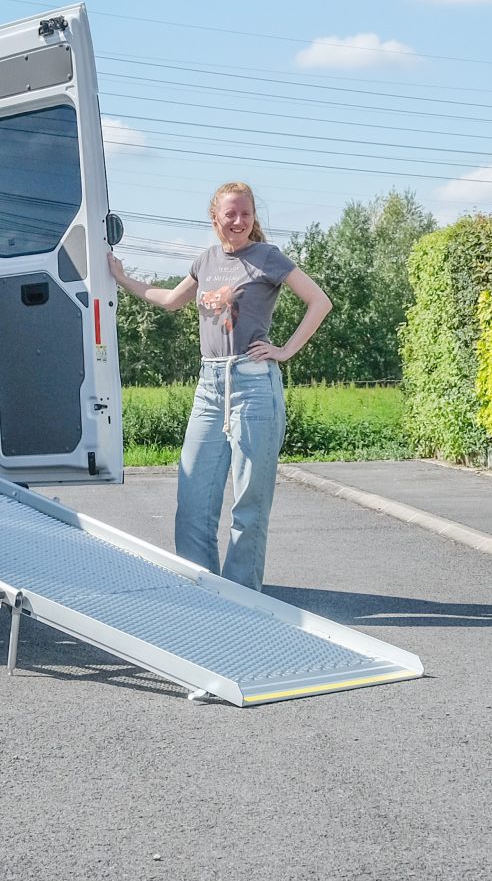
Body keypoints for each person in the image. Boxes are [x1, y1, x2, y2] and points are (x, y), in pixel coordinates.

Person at [108, 182, 330, 589]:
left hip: (253, 384)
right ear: (215, 218)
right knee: (193, 501)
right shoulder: (206, 260)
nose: (239, 221)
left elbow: (320, 302)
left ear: (253, 218)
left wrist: (284, 351)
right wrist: (123, 279)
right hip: (209, 387)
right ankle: (202, 589)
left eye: (246, 214)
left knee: (249, 504)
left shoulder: (267, 258)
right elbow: (170, 299)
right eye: (231, 214)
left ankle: (242, 596)